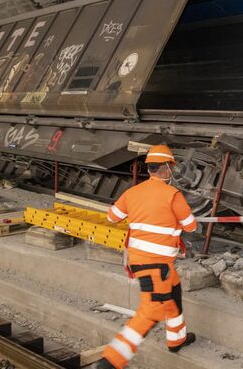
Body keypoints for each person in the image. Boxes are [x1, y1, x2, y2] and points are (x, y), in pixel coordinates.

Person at [95, 144, 197, 369]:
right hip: (156, 265)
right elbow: (191, 226)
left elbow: (112, 217)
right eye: (171, 167)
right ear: (166, 168)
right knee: (151, 311)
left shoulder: (132, 192)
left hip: (143, 262)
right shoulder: (173, 195)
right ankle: (111, 360)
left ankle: (177, 339)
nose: (172, 170)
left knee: (174, 293)